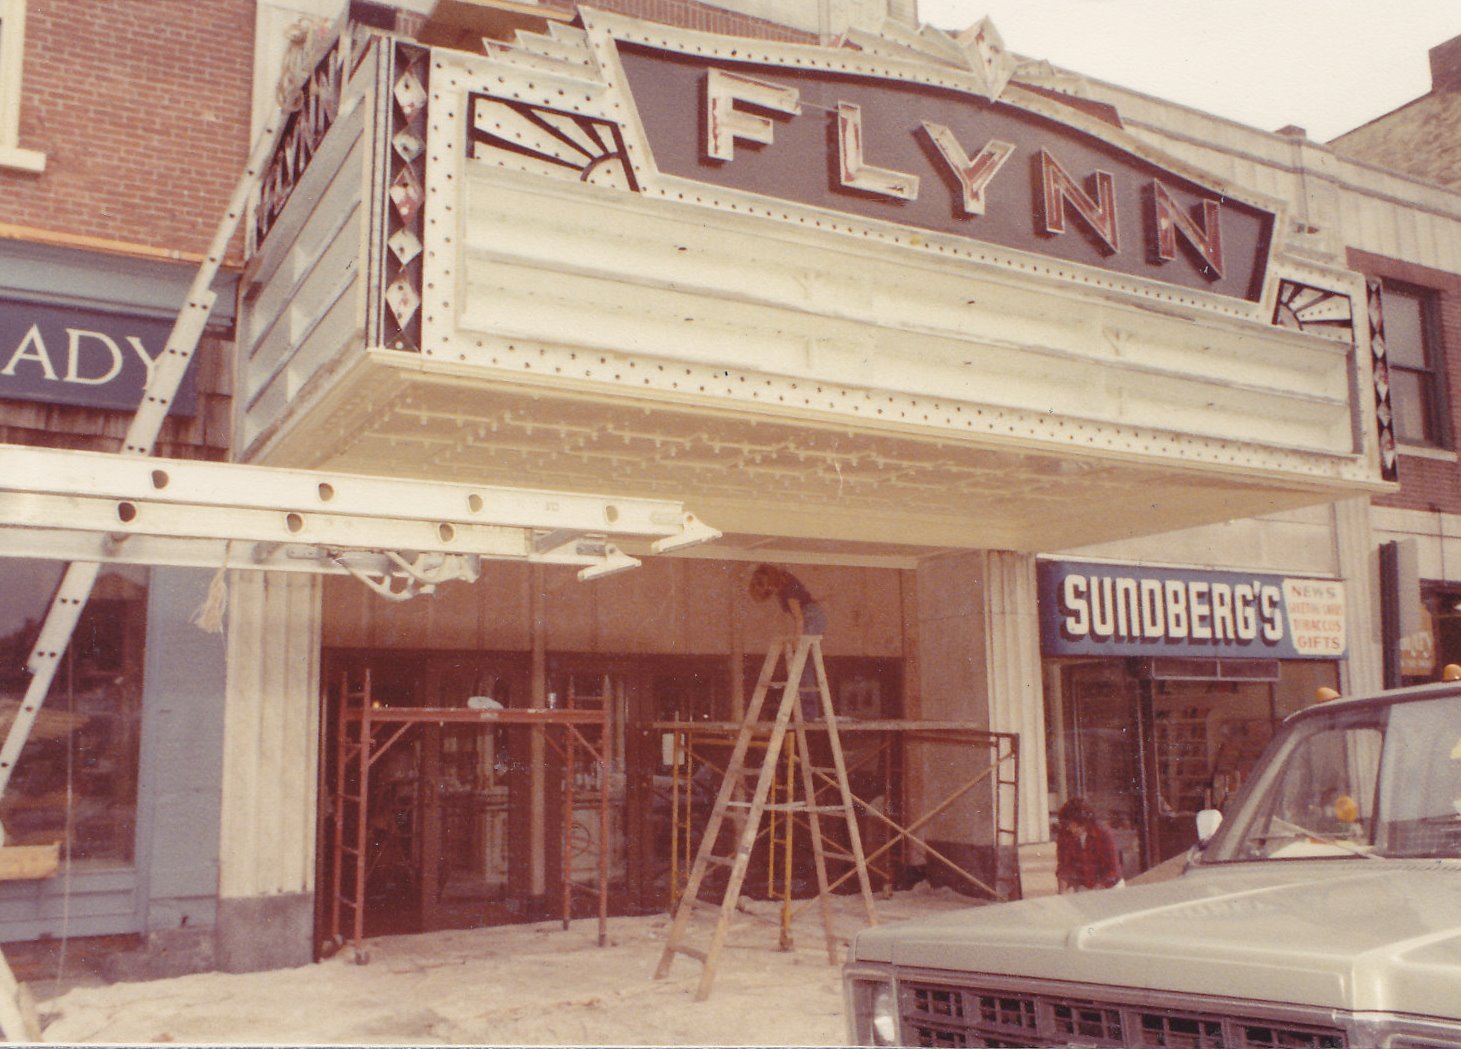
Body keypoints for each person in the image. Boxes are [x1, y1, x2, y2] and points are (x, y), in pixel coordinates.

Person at [748, 564, 827, 717]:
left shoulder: (788, 590)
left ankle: (809, 713)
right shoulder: (784, 585)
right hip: (812, 615)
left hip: (811, 618)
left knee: (802, 663)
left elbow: (799, 618)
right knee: (804, 663)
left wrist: (798, 641)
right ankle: (809, 711)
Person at [1055, 796, 1125, 893]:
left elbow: (1113, 871)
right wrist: (1061, 892)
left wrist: (1096, 891)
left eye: (1071, 824)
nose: (1068, 829)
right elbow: (1064, 867)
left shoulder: (1104, 834)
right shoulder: (1065, 835)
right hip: (1085, 886)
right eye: (1066, 825)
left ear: (1082, 822)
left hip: (1110, 887)